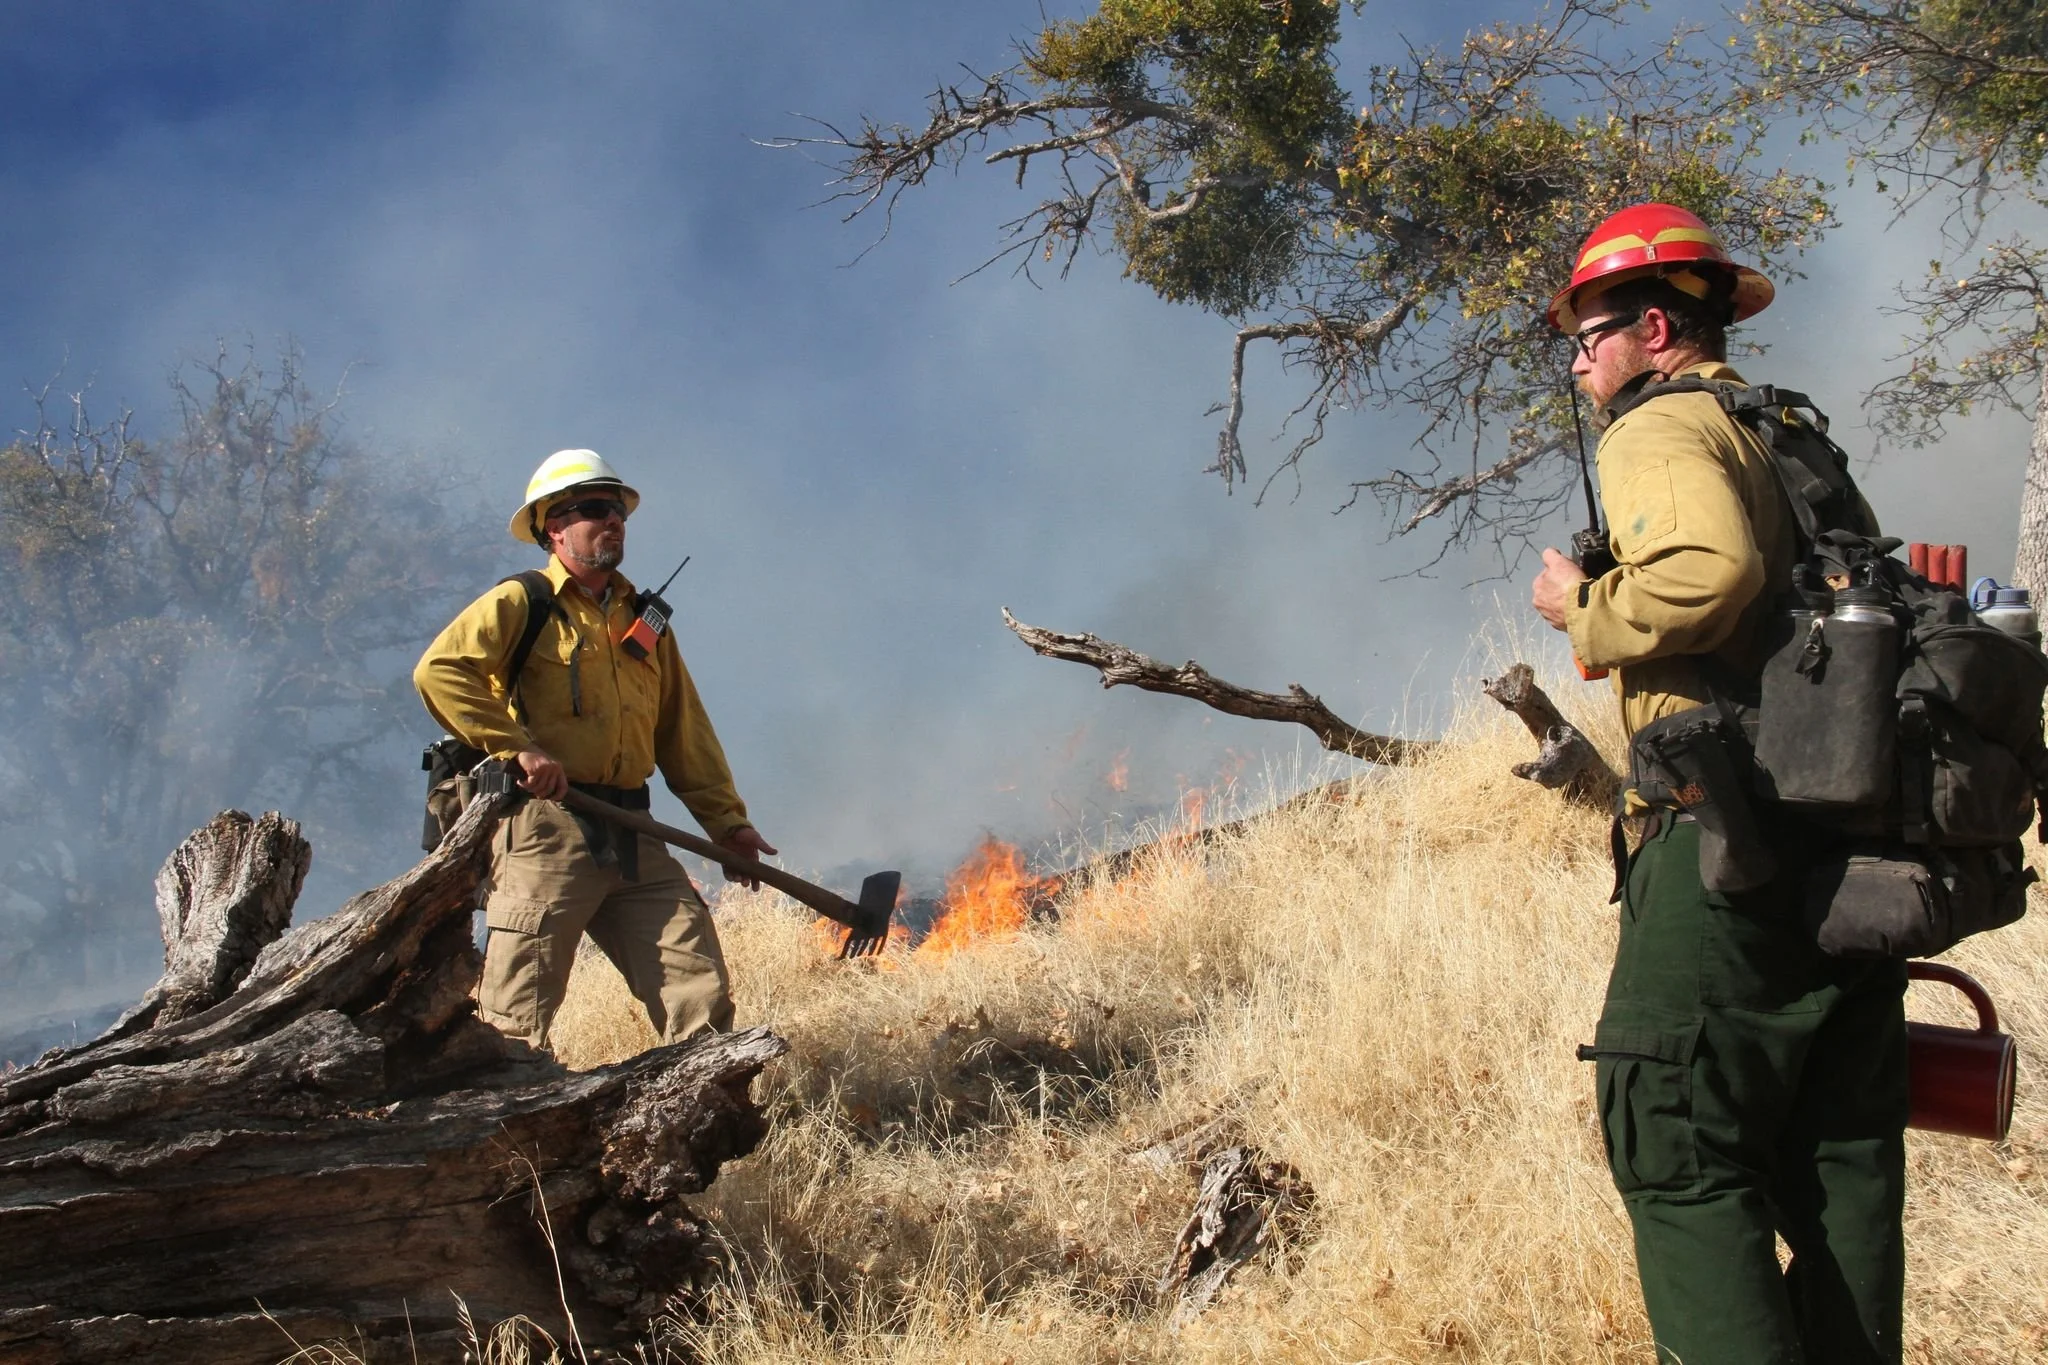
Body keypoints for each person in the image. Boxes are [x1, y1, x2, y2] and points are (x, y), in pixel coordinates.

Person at [1529, 204, 1907, 1363]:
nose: (1578, 355)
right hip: (1846, 856)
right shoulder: (1786, 437)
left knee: (1677, 1149)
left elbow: (1709, 572)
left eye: (1588, 331)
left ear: (1654, 326)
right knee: (1838, 1167)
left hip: (1721, 851)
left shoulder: (1655, 428)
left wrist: (1580, 613)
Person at [414, 449, 776, 1052]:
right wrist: (519, 749)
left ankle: (686, 1126)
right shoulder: (522, 603)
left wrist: (728, 825)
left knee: (700, 997)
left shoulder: (646, 621)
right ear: (553, 529)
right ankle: (507, 1142)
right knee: (515, 1025)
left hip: (634, 832)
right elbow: (440, 672)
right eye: (591, 509)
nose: (610, 520)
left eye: (616, 509)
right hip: (546, 833)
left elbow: (682, 731)